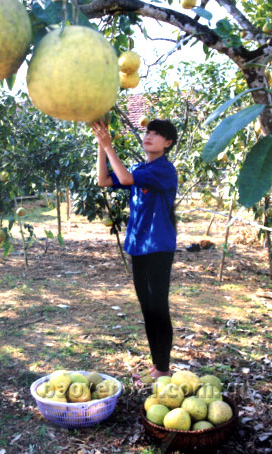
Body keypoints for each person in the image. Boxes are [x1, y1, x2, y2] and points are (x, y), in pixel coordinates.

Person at [90, 118, 178, 379]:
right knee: (147, 307)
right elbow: (104, 180)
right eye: (148, 132)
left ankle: (163, 368)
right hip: (138, 247)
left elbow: (125, 178)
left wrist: (109, 146)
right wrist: (100, 146)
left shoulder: (164, 170)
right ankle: (156, 366)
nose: (149, 136)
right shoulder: (141, 167)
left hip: (158, 247)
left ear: (168, 143)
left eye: (156, 134)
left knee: (158, 306)